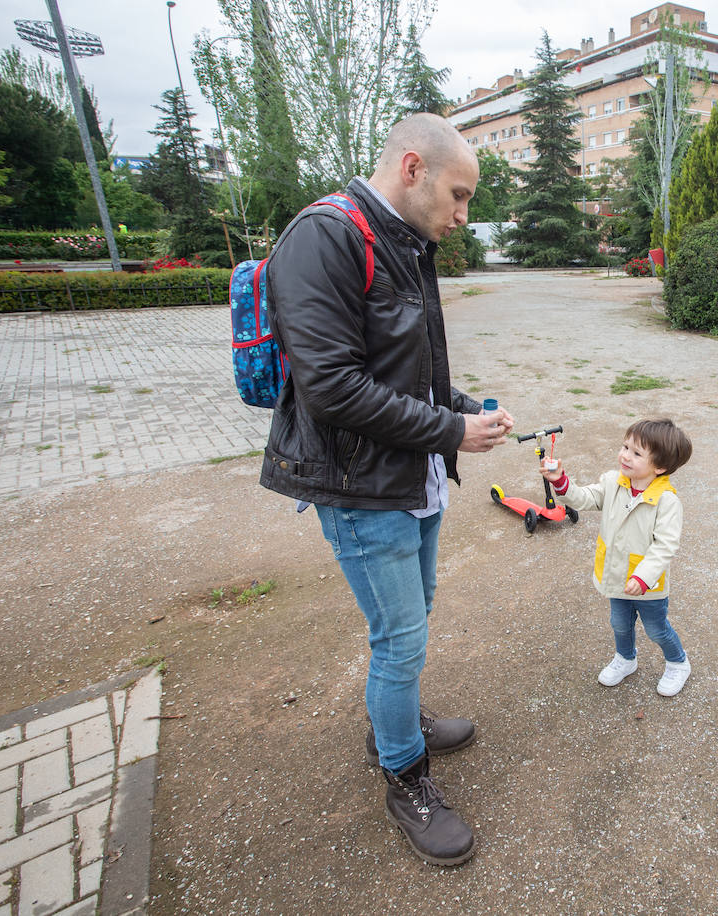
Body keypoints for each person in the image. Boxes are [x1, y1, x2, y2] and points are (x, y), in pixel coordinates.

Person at [258, 113, 512, 867]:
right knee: (399, 639)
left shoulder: (404, 241)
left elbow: (411, 367)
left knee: (413, 619)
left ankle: (394, 723)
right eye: (459, 196)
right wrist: (447, 433)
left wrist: (463, 410)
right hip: (360, 487)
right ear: (412, 167)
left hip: (408, 476)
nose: (463, 216)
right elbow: (331, 388)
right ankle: (406, 777)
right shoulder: (324, 237)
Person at [541, 418, 694, 697]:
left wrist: (643, 577)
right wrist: (561, 482)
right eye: (625, 446)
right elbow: (586, 498)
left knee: (656, 630)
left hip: (647, 585)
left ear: (660, 467)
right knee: (620, 624)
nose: (625, 455)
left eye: (636, 453)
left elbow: (665, 546)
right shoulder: (613, 482)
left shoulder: (667, 501)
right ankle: (626, 658)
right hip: (616, 576)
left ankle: (677, 662)